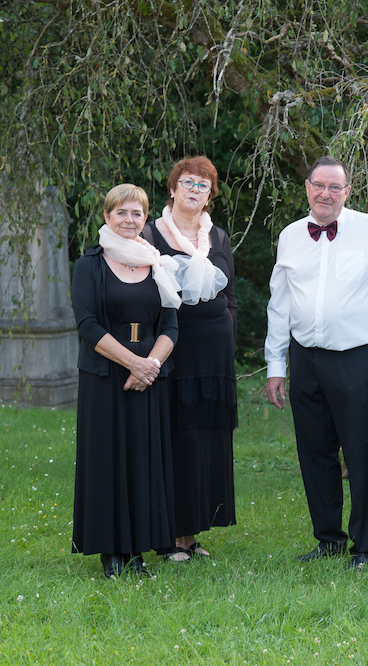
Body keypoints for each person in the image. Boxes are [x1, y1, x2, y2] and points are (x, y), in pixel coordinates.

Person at [265, 157, 368, 569]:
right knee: (314, 451)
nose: (325, 194)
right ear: (307, 187)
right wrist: (276, 364)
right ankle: (328, 539)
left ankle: (366, 548)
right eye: (318, 185)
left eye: (334, 187)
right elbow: (280, 303)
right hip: (304, 356)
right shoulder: (290, 236)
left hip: (355, 358)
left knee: (359, 453)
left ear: (347, 191)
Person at [71, 184, 181, 578]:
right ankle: (111, 552)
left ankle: (136, 550)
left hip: (148, 375)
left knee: (142, 458)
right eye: (121, 213)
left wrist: (149, 365)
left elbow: (170, 324)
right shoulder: (90, 265)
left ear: (145, 219)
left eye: (137, 214)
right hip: (105, 374)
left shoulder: (158, 265)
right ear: (107, 216)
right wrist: (133, 363)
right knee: (107, 459)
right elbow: (87, 325)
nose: (129, 220)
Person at [143, 156, 237, 562]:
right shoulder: (150, 234)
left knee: (207, 438)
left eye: (203, 185)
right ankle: (170, 536)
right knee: (177, 437)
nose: (195, 190)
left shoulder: (217, 236)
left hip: (213, 351)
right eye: (188, 182)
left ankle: (192, 534)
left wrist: (229, 336)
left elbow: (230, 295)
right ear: (173, 188)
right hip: (174, 346)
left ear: (210, 194)